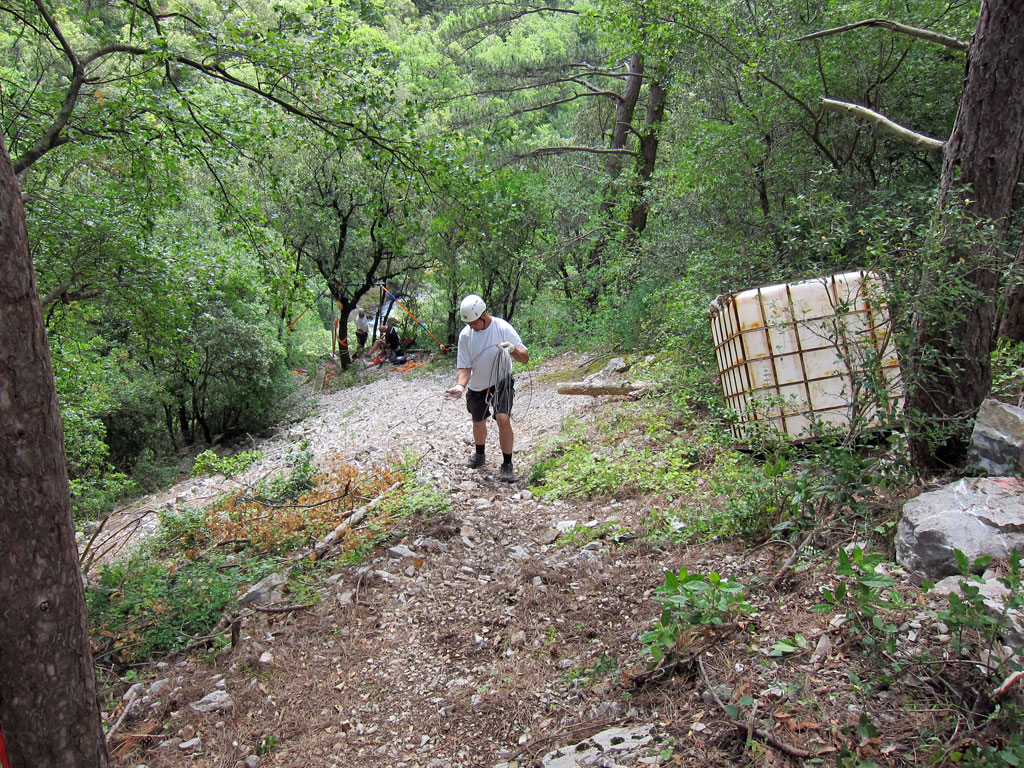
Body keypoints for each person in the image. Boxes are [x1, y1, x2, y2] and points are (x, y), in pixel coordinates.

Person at [445, 294, 528, 482]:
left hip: (501, 380)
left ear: (484, 314)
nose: (471, 327)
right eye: (468, 323)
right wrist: (460, 386)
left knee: (503, 418)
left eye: (474, 323)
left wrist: (512, 349)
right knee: (478, 421)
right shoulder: (465, 335)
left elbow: (525, 357)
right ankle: (480, 454)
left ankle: (507, 464)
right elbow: (464, 367)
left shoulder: (502, 327)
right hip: (477, 384)